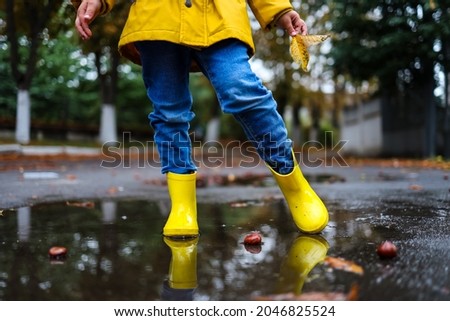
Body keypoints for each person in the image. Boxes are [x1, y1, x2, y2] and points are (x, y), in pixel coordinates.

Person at [71, 0, 329, 238]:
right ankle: (182, 207)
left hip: (220, 17)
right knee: (168, 112)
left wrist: (280, 10)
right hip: (158, 18)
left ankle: (293, 183)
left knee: (242, 89)